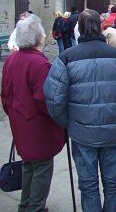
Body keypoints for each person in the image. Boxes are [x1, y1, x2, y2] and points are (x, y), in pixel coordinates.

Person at [44, 9, 116, 211]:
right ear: (101, 27)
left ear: (79, 29)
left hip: (82, 131)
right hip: (111, 131)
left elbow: (53, 99)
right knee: (111, 182)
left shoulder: (66, 57)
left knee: (89, 185)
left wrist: (68, 122)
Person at [1, 15, 65, 212]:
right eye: (43, 32)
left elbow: (4, 93)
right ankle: (34, 208)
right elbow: (47, 101)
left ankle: (25, 204)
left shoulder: (12, 59)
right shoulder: (39, 64)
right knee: (41, 169)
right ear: (38, 38)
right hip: (37, 126)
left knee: (29, 164)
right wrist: (61, 119)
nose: (45, 35)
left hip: (20, 122)